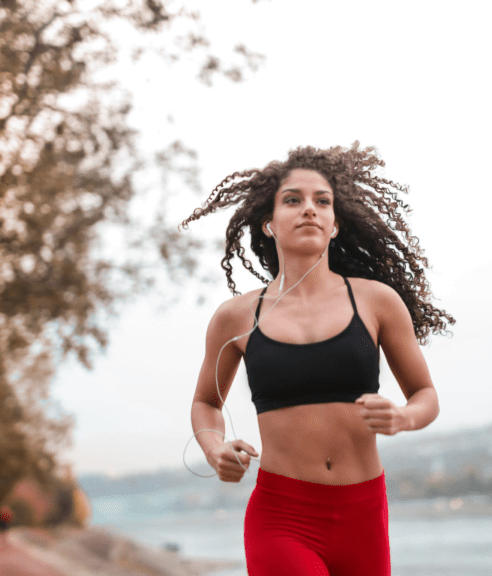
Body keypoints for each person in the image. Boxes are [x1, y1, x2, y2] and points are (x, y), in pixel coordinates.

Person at [182, 143, 454, 576]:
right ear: (269, 224)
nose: (309, 209)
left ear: (334, 224)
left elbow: (425, 394)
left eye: (321, 201)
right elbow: (206, 402)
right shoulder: (235, 316)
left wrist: (404, 417)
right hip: (282, 516)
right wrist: (214, 449)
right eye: (293, 200)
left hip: (363, 513)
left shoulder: (376, 302)